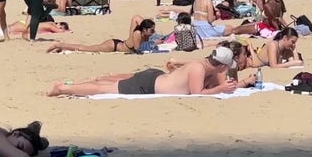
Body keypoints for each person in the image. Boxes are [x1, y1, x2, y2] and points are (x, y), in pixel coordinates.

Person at [46, 47, 238, 97]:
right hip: (149, 86)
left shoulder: (204, 66)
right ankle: (62, 88)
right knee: (104, 89)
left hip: (155, 80)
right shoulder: (198, 68)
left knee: (105, 86)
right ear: (222, 65)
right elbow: (198, 94)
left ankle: (68, 85)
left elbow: (215, 83)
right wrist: (219, 90)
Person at [46, 15, 155, 54]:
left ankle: (61, 47)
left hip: (118, 43)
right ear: (144, 30)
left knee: (87, 48)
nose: (153, 33)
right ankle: (59, 45)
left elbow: (136, 17)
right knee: (85, 48)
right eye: (151, 30)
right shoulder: (137, 34)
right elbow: (137, 50)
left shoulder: (142, 33)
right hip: (113, 46)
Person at [0, 21, 70, 37]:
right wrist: (67, 31)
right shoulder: (51, 25)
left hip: (21, 24)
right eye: (60, 26)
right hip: (20, 27)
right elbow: (58, 31)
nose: (59, 28)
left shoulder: (47, 24)